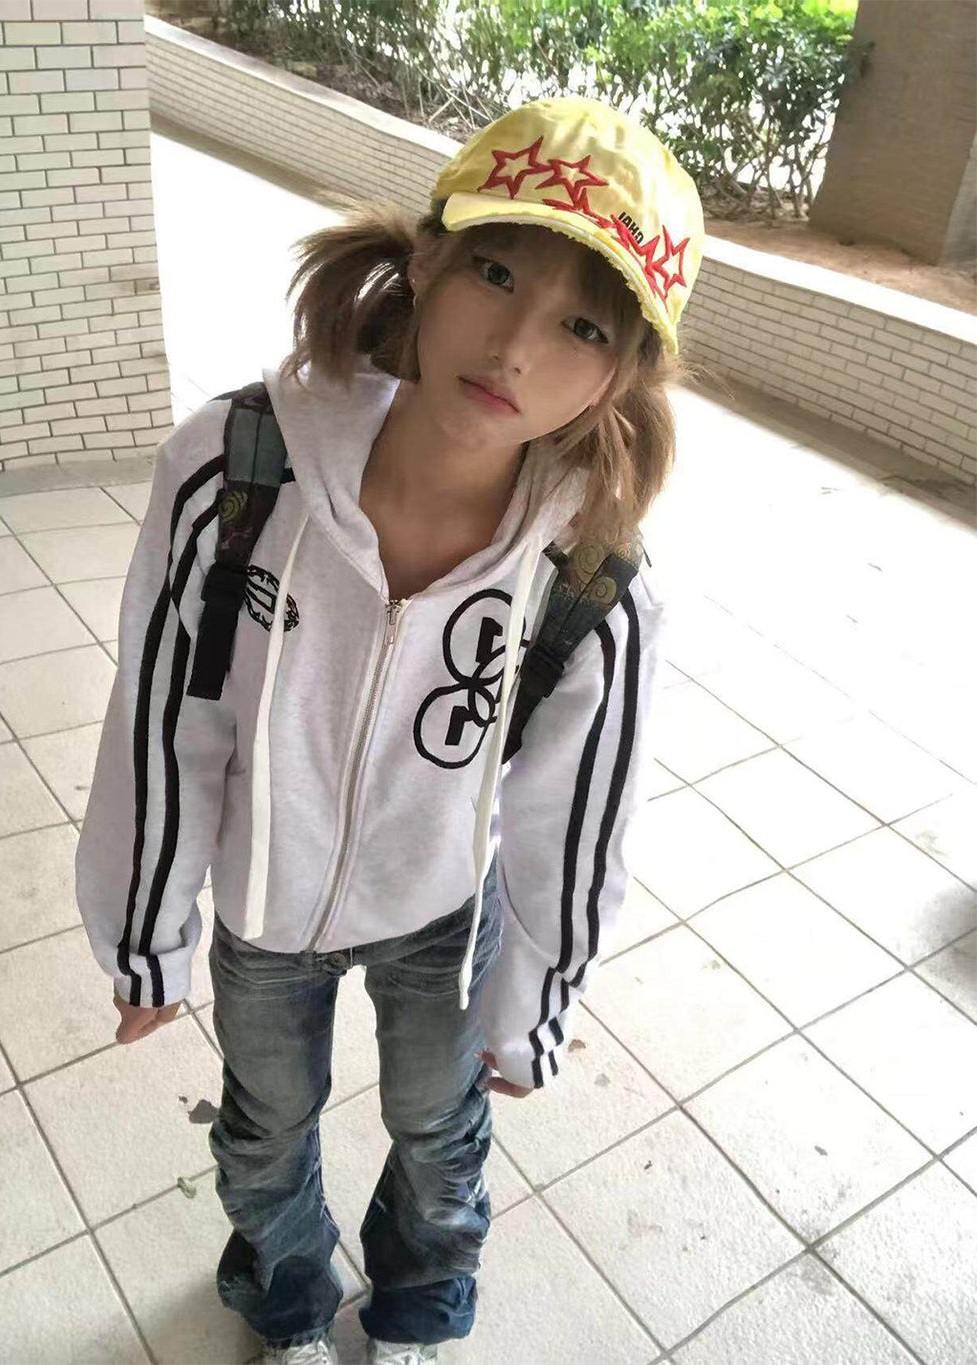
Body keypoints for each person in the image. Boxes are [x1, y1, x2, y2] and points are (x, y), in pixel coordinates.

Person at [75, 94, 706, 1364]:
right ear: (426, 258)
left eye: (582, 325)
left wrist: (532, 1005)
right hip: (265, 907)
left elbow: (573, 826)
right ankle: (289, 1304)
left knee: (439, 1131)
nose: (514, 346)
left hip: (441, 917)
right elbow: (164, 717)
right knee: (265, 1126)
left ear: (621, 373)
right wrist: (146, 932)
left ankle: (418, 1309)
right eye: (495, 272)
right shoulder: (237, 470)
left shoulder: (592, 581)